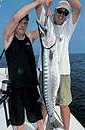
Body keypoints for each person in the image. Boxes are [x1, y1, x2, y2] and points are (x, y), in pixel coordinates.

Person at [35, 0, 82, 130]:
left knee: (64, 104)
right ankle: (42, 127)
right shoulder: (47, 22)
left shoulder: (67, 27)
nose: (62, 14)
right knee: (44, 103)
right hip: (45, 72)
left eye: (65, 12)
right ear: (55, 11)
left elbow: (78, 7)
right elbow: (37, 5)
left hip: (63, 72)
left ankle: (66, 129)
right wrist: (46, 5)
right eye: (60, 11)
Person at [3, 1, 48, 130]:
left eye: (25, 23)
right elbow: (16, 17)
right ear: (16, 24)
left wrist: (47, 9)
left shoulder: (30, 37)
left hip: (31, 86)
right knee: (19, 122)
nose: (23, 26)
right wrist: (38, 2)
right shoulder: (8, 38)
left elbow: (45, 28)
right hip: (15, 88)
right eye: (21, 23)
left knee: (39, 119)